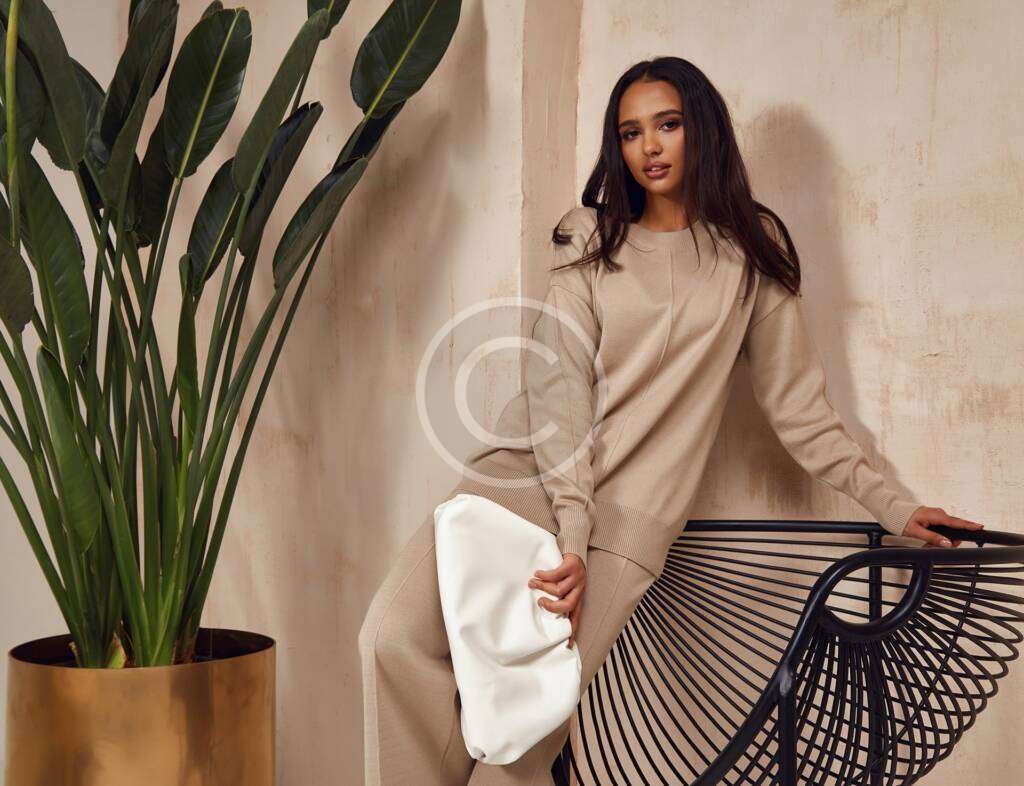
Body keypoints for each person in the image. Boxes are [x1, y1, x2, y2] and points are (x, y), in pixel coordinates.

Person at [357, 56, 985, 786]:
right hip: (519, 486)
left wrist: (896, 506)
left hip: (626, 526)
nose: (649, 147)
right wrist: (570, 533)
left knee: (522, 730)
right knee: (389, 638)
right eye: (630, 133)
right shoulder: (589, 237)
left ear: (702, 130)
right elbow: (558, 389)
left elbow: (802, 414)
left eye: (667, 125)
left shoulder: (750, 256)